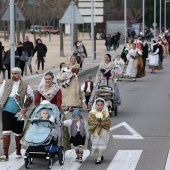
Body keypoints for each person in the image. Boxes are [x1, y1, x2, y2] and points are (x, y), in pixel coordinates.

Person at [0, 67, 34, 161]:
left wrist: (24, 109)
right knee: (6, 133)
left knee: (18, 133)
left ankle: (18, 152)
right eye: (12, 73)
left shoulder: (26, 85)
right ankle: (5, 155)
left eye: (15, 73)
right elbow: (0, 94)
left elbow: (31, 98)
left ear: (20, 74)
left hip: (19, 112)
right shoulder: (6, 83)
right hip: (6, 111)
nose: (13, 75)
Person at [88, 98, 114, 164]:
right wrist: (95, 123)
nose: (99, 106)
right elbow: (90, 121)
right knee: (96, 143)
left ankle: (99, 158)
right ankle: (100, 155)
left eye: (101, 105)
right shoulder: (92, 113)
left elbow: (108, 122)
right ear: (95, 105)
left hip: (103, 131)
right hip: (95, 131)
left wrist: (102, 123)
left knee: (101, 143)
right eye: (98, 105)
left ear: (103, 105)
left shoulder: (105, 113)